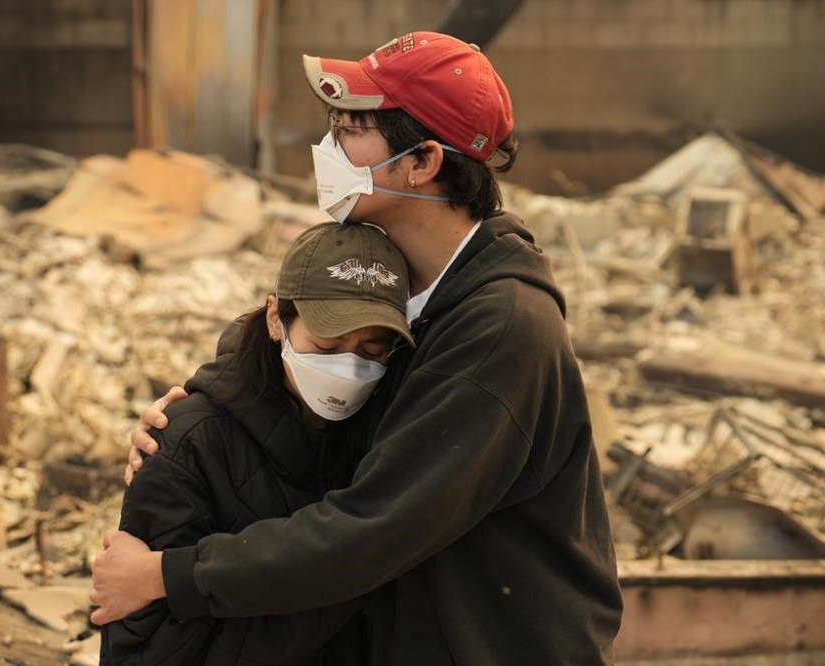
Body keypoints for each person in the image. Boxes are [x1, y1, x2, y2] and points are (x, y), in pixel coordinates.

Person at [93, 31, 623, 664]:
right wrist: (193, 421)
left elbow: (374, 527)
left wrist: (170, 575)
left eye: (349, 131)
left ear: (423, 161)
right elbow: (302, 323)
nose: (327, 149)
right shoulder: (412, 278)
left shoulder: (499, 328)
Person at [98, 222, 413, 665]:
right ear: (275, 319)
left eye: (372, 349)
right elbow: (145, 633)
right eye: (326, 344)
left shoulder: (385, 430)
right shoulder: (191, 442)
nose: (348, 366)